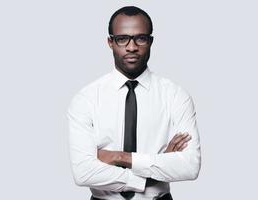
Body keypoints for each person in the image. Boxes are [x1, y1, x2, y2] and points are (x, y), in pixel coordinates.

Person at [67, 6, 201, 200]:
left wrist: (119, 157)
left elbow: (189, 166)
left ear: (151, 41)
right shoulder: (86, 99)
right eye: (122, 39)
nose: (131, 47)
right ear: (110, 42)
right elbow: (83, 172)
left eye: (141, 38)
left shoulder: (175, 95)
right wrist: (156, 169)